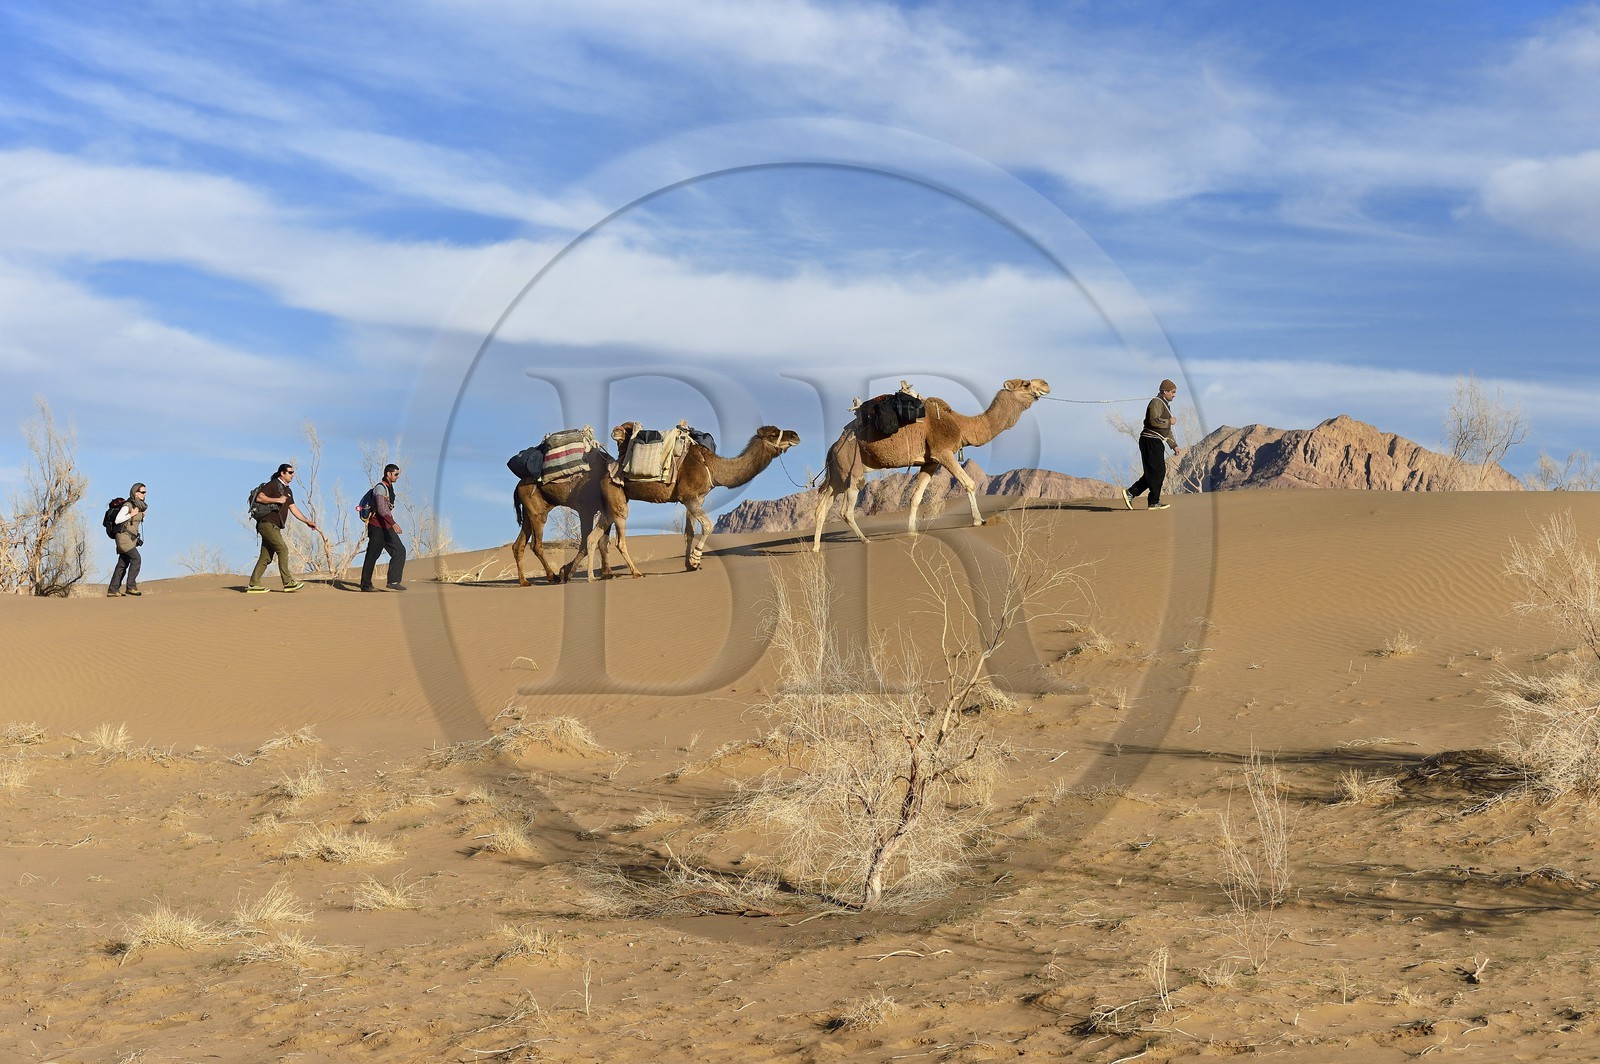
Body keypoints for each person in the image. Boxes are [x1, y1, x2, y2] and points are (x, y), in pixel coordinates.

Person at [247, 463, 318, 593]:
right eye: (290, 472)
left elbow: (293, 509)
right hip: (267, 524)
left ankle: (254, 584)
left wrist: (307, 521)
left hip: (275, 526)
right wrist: (277, 500)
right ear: (282, 473)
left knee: (266, 557)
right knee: (283, 549)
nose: (293, 475)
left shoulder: (288, 490)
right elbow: (260, 497)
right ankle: (288, 582)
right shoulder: (273, 484)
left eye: (293, 472)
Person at [1123, 379, 1182, 511]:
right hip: (1149, 440)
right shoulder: (1156, 402)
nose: (1174, 395)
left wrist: (1174, 445)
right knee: (1157, 472)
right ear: (1164, 391)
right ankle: (1151, 501)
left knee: (1155, 472)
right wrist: (1169, 421)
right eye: (1172, 392)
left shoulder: (1165, 404)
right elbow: (1153, 421)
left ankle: (1133, 493)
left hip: (1156, 441)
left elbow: (1165, 430)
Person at [359, 463, 408, 592]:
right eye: (396, 474)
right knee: (372, 555)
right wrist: (393, 523)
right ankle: (366, 585)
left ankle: (393, 581)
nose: (397, 476)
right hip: (376, 526)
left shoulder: (389, 488)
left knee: (399, 550)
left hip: (386, 526)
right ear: (388, 474)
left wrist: (390, 524)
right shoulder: (380, 488)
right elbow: (381, 509)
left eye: (398, 474)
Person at [108, 482, 148, 597]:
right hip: (123, 537)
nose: (144, 494)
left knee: (122, 563)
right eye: (142, 492)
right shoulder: (128, 505)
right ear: (135, 493)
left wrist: (141, 515)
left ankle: (113, 589)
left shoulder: (139, 506)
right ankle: (131, 587)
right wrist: (131, 514)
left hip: (131, 539)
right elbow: (117, 520)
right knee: (136, 559)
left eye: (145, 492)